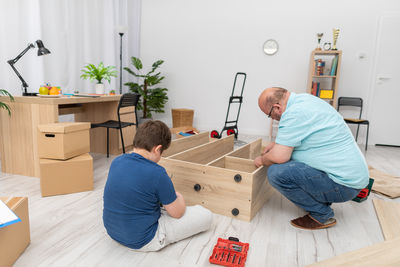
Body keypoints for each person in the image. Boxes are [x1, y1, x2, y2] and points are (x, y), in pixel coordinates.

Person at [255, 87, 369, 230]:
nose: (272, 118)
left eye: (269, 115)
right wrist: (277, 144)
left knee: (276, 173)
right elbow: (302, 137)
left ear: (277, 107)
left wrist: (262, 159)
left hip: (345, 186)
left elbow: (279, 157)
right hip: (354, 178)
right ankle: (321, 200)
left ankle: (321, 214)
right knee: (285, 160)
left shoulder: (293, 113)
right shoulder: (305, 100)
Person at [103, 120, 212, 251]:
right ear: (157, 149)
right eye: (162, 152)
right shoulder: (157, 172)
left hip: (113, 232)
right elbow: (177, 213)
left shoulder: (117, 161)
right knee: (205, 215)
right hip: (143, 239)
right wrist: (179, 197)